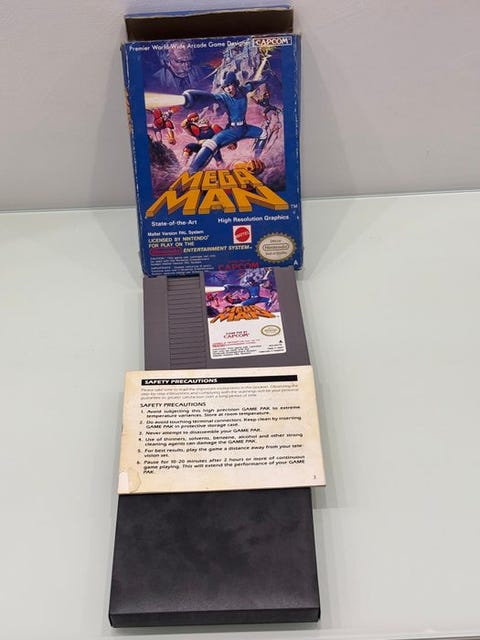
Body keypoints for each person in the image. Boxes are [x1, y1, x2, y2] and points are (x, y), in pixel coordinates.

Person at [182, 71, 267, 172]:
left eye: (230, 85)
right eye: (225, 87)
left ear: (235, 84)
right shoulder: (223, 97)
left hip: (245, 129)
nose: (228, 89)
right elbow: (210, 98)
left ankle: (256, 160)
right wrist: (190, 99)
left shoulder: (243, 90)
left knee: (263, 134)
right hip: (232, 131)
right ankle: (191, 171)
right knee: (210, 143)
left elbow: (251, 85)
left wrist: (263, 80)